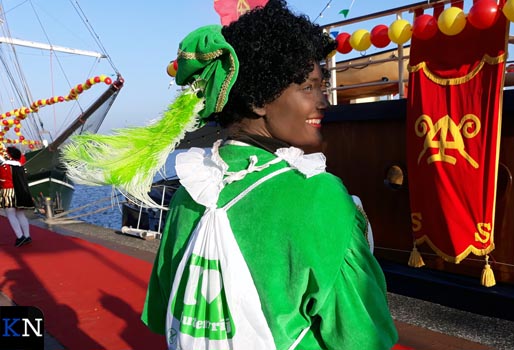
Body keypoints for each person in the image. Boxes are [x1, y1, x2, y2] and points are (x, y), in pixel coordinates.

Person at [61, 1, 398, 349]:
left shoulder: (189, 191)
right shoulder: (320, 195)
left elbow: (163, 310)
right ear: (257, 100)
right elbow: (364, 337)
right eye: (308, 87)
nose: (323, 101)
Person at [0, 146, 35, 247]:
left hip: (8, 192)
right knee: (20, 215)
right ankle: (27, 235)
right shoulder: (20, 166)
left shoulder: (4, 167)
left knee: (10, 215)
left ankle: (20, 237)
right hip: (20, 192)